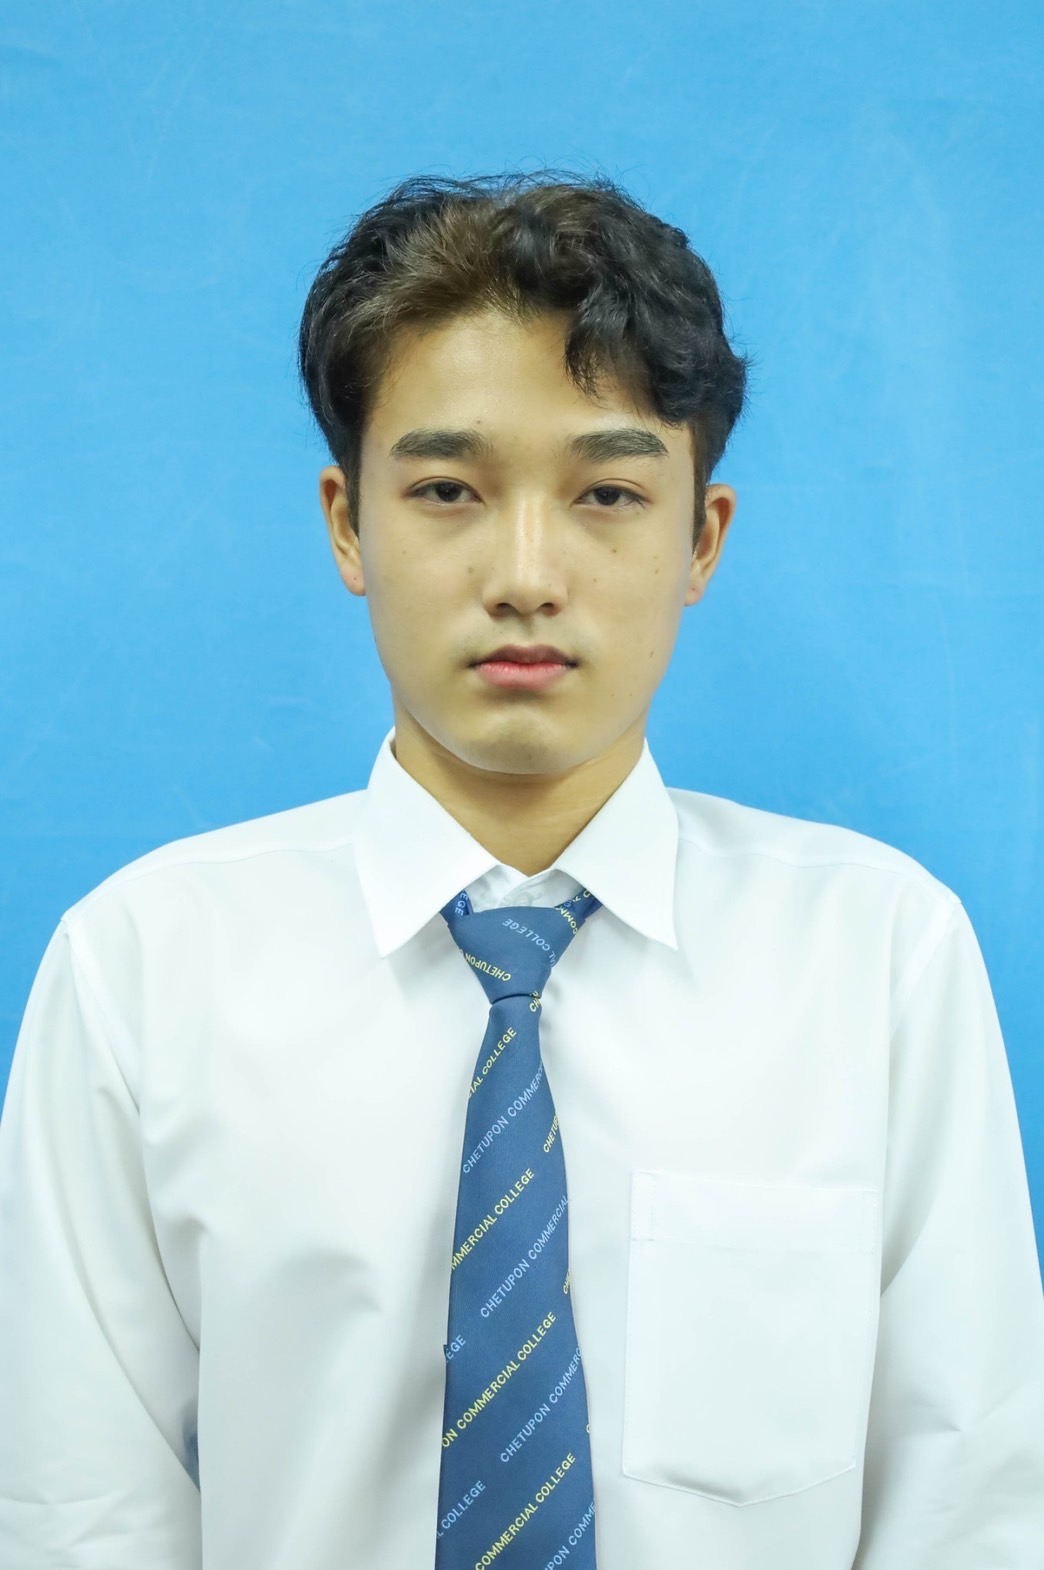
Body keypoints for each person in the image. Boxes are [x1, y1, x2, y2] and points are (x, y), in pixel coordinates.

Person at [1, 169, 1042, 1570]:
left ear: (702, 538)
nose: (527, 574)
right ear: (348, 522)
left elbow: (971, 1509)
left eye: (609, 491)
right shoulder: (144, 968)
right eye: (448, 490)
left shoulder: (879, 959)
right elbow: (75, 1514)